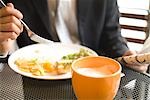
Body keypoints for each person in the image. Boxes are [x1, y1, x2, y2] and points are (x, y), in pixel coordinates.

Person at [0, 0, 148, 72]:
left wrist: (127, 56)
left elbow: (111, 36)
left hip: (93, 74)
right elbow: (6, 46)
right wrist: (1, 48)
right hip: (39, 78)